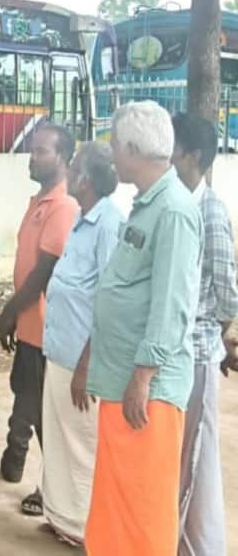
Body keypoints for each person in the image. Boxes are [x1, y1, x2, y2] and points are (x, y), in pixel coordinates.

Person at [84, 101, 202, 556]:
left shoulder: (173, 211)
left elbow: (172, 306)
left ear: (132, 149)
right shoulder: (147, 206)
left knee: (143, 507)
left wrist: (144, 377)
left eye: (115, 143)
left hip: (146, 391)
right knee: (117, 502)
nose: (111, 152)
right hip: (123, 382)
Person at [36, 141, 122, 546]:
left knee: (82, 446)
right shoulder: (82, 219)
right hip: (59, 351)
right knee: (57, 439)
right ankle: (61, 518)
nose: (67, 170)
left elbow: (109, 300)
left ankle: (87, 528)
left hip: (81, 361)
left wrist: (87, 364)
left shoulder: (109, 224)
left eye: (73, 166)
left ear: (86, 180)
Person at [0, 125, 80, 511]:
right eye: (32, 150)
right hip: (31, 326)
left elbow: (42, 272)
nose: (32, 157)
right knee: (24, 395)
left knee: (48, 414)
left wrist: (8, 312)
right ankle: (14, 459)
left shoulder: (63, 207)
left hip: (46, 328)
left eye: (41, 151)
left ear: (62, 158)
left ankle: (52, 489)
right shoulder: (39, 202)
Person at [171, 112, 236, 556]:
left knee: (197, 456)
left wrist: (224, 338)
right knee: (179, 457)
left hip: (198, 353)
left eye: (173, 147)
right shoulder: (175, 202)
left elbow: (228, 290)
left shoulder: (210, 209)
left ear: (192, 156)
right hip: (176, 354)